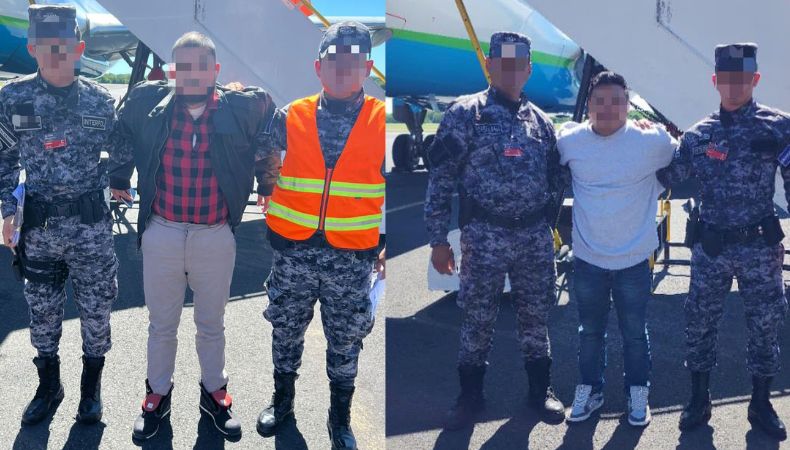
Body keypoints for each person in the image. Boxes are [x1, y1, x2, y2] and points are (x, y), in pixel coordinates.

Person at [108, 31, 279, 440]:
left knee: (211, 324)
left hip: (214, 234)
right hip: (163, 231)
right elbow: (122, 132)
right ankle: (157, 395)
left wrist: (268, 183)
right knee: (161, 325)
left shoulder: (242, 107)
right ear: (172, 71)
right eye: (182, 67)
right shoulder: (149, 104)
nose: (191, 74)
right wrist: (118, 176)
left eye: (200, 66)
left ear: (215, 70)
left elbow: (266, 136)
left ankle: (214, 393)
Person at [425, 31, 569, 429]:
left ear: (528, 69)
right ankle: (470, 396)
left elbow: (557, 179)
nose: (510, 70)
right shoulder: (465, 114)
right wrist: (438, 239)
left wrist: (546, 225)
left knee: (535, 317)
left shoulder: (542, 122)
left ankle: (540, 391)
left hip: (533, 237)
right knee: (477, 318)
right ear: (489, 65)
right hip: (484, 236)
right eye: (502, 62)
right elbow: (441, 179)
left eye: (517, 64)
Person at [253, 21, 385, 450]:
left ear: (367, 68)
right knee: (285, 331)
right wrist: (267, 187)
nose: (343, 69)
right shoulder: (292, 114)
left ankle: (339, 419)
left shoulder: (382, 120)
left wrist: (388, 242)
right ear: (318, 67)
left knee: (345, 342)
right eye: (334, 60)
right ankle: (282, 404)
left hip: (351, 258)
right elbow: (263, 150)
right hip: (294, 252)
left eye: (353, 61)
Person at [657, 43, 789, 440]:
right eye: (727, 78)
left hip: (760, 246)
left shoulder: (779, 128)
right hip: (711, 247)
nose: (735, 85)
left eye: (742, 78)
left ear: (755, 79)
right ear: (715, 81)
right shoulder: (699, 134)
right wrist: (652, 139)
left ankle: (761, 402)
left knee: (765, 323)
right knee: (700, 322)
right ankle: (699, 398)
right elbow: (669, 175)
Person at [0, 4, 119, 426]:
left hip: (90, 228)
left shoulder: (101, 100)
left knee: (97, 312)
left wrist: (118, 181)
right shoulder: (12, 98)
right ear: (33, 48)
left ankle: (91, 391)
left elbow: (122, 151)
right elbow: (4, 160)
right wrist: (7, 212)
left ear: (79, 48)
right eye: (46, 45)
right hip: (40, 229)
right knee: (43, 313)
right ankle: (49, 387)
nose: (55, 53)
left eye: (64, 46)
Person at [558, 71, 677, 426]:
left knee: (635, 334)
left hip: (633, 261)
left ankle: (637, 391)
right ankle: (590, 389)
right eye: (600, 101)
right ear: (588, 106)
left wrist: (658, 127)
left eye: (617, 101)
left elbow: (680, 151)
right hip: (588, 260)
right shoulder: (570, 141)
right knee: (589, 332)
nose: (608, 108)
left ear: (628, 105)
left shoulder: (651, 141)